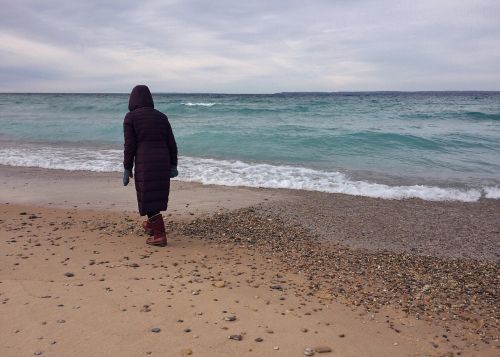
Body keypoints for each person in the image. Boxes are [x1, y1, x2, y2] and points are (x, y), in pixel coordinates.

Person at [122, 85, 178, 247]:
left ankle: (160, 235)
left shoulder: (131, 117)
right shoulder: (162, 117)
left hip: (145, 160)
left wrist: (127, 167)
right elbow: (172, 143)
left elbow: (129, 145)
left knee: (147, 194)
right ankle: (151, 225)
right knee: (154, 193)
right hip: (162, 159)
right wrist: (173, 164)